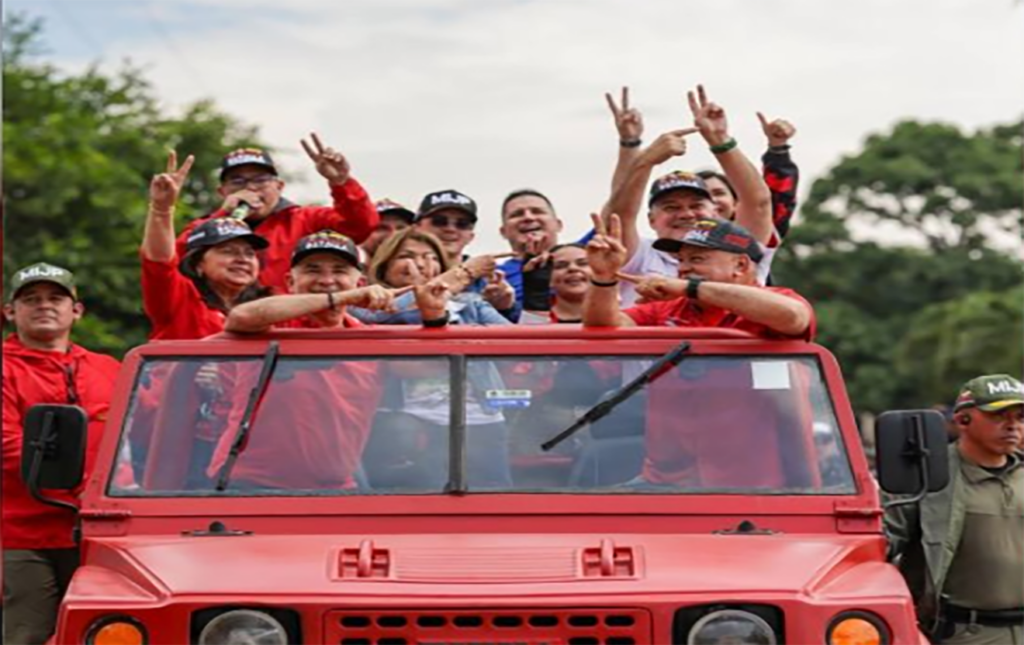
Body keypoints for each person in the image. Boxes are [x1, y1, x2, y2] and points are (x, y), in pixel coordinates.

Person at [2, 263, 121, 645]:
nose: (44, 306)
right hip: (20, 532)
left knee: (104, 631)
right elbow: (6, 443)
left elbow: (147, 432)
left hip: (101, 530)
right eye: (31, 299)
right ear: (10, 312)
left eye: (56, 298)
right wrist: (77, 485)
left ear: (77, 310)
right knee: (28, 634)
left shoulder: (108, 369)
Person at [602, 85, 778, 305]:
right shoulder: (640, 255)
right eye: (671, 207)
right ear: (651, 220)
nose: (686, 214)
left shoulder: (737, 246)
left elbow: (758, 203)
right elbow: (618, 216)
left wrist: (720, 140)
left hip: (724, 340)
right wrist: (645, 161)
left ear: (716, 211)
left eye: (696, 205)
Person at [886, 374, 1024, 645]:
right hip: (962, 634)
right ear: (962, 420)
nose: (1012, 426)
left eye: (1020, 417)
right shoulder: (925, 479)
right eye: (998, 416)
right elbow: (877, 544)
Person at [174, 135, 378, 292]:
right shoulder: (204, 226)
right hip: (222, 330)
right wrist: (223, 217)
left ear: (279, 186)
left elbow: (360, 226)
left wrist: (341, 183)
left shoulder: (306, 219)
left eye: (261, 179)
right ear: (222, 191)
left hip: (291, 329)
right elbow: (174, 260)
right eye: (237, 181)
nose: (251, 188)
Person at [582, 214, 814, 339]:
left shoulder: (777, 298)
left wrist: (689, 288)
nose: (682, 269)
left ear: (740, 265)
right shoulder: (669, 308)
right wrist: (603, 277)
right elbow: (603, 329)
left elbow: (793, 316)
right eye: (681, 260)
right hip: (666, 429)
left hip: (758, 430)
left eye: (697, 259)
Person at [142, 151, 270, 341]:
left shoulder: (266, 310)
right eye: (228, 251)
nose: (242, 259)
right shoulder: (180, 300)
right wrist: (161, 209)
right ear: (198, 264)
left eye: (249, 253)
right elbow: (159, 262)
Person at [414, 189, 518, 319]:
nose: (450, 229)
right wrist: (465, 273)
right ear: (416, 227)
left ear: (471, 236)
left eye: (462, 224)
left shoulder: (490, 281)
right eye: (439, 221)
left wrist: (506, 308)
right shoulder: (398, 270)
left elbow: (516, 333)